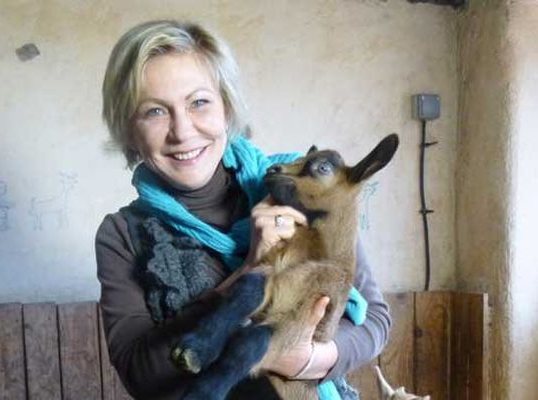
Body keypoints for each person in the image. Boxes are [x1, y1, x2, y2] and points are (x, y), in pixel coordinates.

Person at [96, 20, 391, 400]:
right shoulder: (121, 234)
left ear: (226, 107)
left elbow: (375, 322)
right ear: (129, 129)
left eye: (199, 102)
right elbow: (139, 373)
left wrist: (304, 358)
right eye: (154, 111)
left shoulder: (301, 191)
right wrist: (247, 274)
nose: (182, 131)